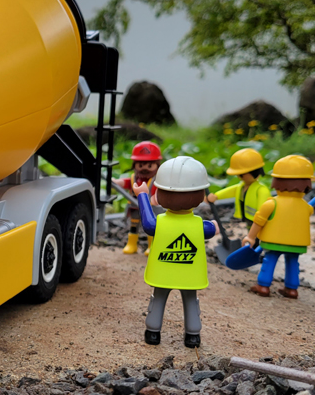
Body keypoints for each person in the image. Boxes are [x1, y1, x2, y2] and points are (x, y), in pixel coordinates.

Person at [134, 156, 217, 348]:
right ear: (199, 195)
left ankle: (153, 333)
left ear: (161, 193)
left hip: (163, 272)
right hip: (190, 274)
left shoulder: (160, 222)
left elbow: (147, 223)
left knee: (159, 298)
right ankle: (193, 335)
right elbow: (211, 229)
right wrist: (213, 225)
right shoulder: (199, 224)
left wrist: (142, 195)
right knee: (190, 300)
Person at [242, 154, 315, 299]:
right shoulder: (306, 207)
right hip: (296, 242)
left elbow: (259, 221)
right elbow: (306, 214)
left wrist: (250, 237)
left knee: (270, 259)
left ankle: (263, 286)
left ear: (277, 182)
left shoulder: (271, 203)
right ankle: (292, 289)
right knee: (293, 262)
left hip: (273, 241)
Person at [113, 141, 162, 255]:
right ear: (135, 164)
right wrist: (116, 182)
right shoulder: (134, 178)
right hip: (135, 207)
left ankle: (152, 246)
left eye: (149, 165)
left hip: (151, 208)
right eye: (140, 165)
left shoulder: (157, 180)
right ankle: (132, 244)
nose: (144, 168)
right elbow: (125, 183)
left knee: (151, 226)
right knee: (134, 225)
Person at [207, 148, 270, 235]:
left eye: (241, 174)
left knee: (259, 234)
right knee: (250, 231)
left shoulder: (261, 190)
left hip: (257, 221)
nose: (239, 177)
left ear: (254, 172)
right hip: (247, 217)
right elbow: (230, 191)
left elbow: (264, 208)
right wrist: (216, 196)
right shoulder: (241, 186)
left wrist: (260, 219)